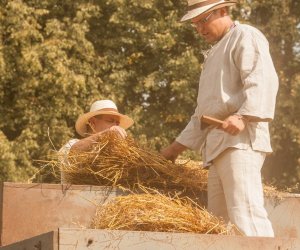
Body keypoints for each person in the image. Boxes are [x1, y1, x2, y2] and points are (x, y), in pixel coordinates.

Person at [161, 0, 278, 237]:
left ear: (223, 11)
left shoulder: (245, 35)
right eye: (195, 24)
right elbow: (204, 114)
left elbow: (262, 79)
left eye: (204, 20)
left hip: (240, 142)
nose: (200, 29)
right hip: (215, 149)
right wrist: (174, 149)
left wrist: (244, 117)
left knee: (246, 215)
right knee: (220, 226)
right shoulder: (214, 53)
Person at [59, 99, 134, 182]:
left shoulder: (114, 156)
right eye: (110, 121)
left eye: (117, 123)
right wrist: (107, 133)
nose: (115, 126)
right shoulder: (71, 145)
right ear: (92, 123)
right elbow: (74, 152)